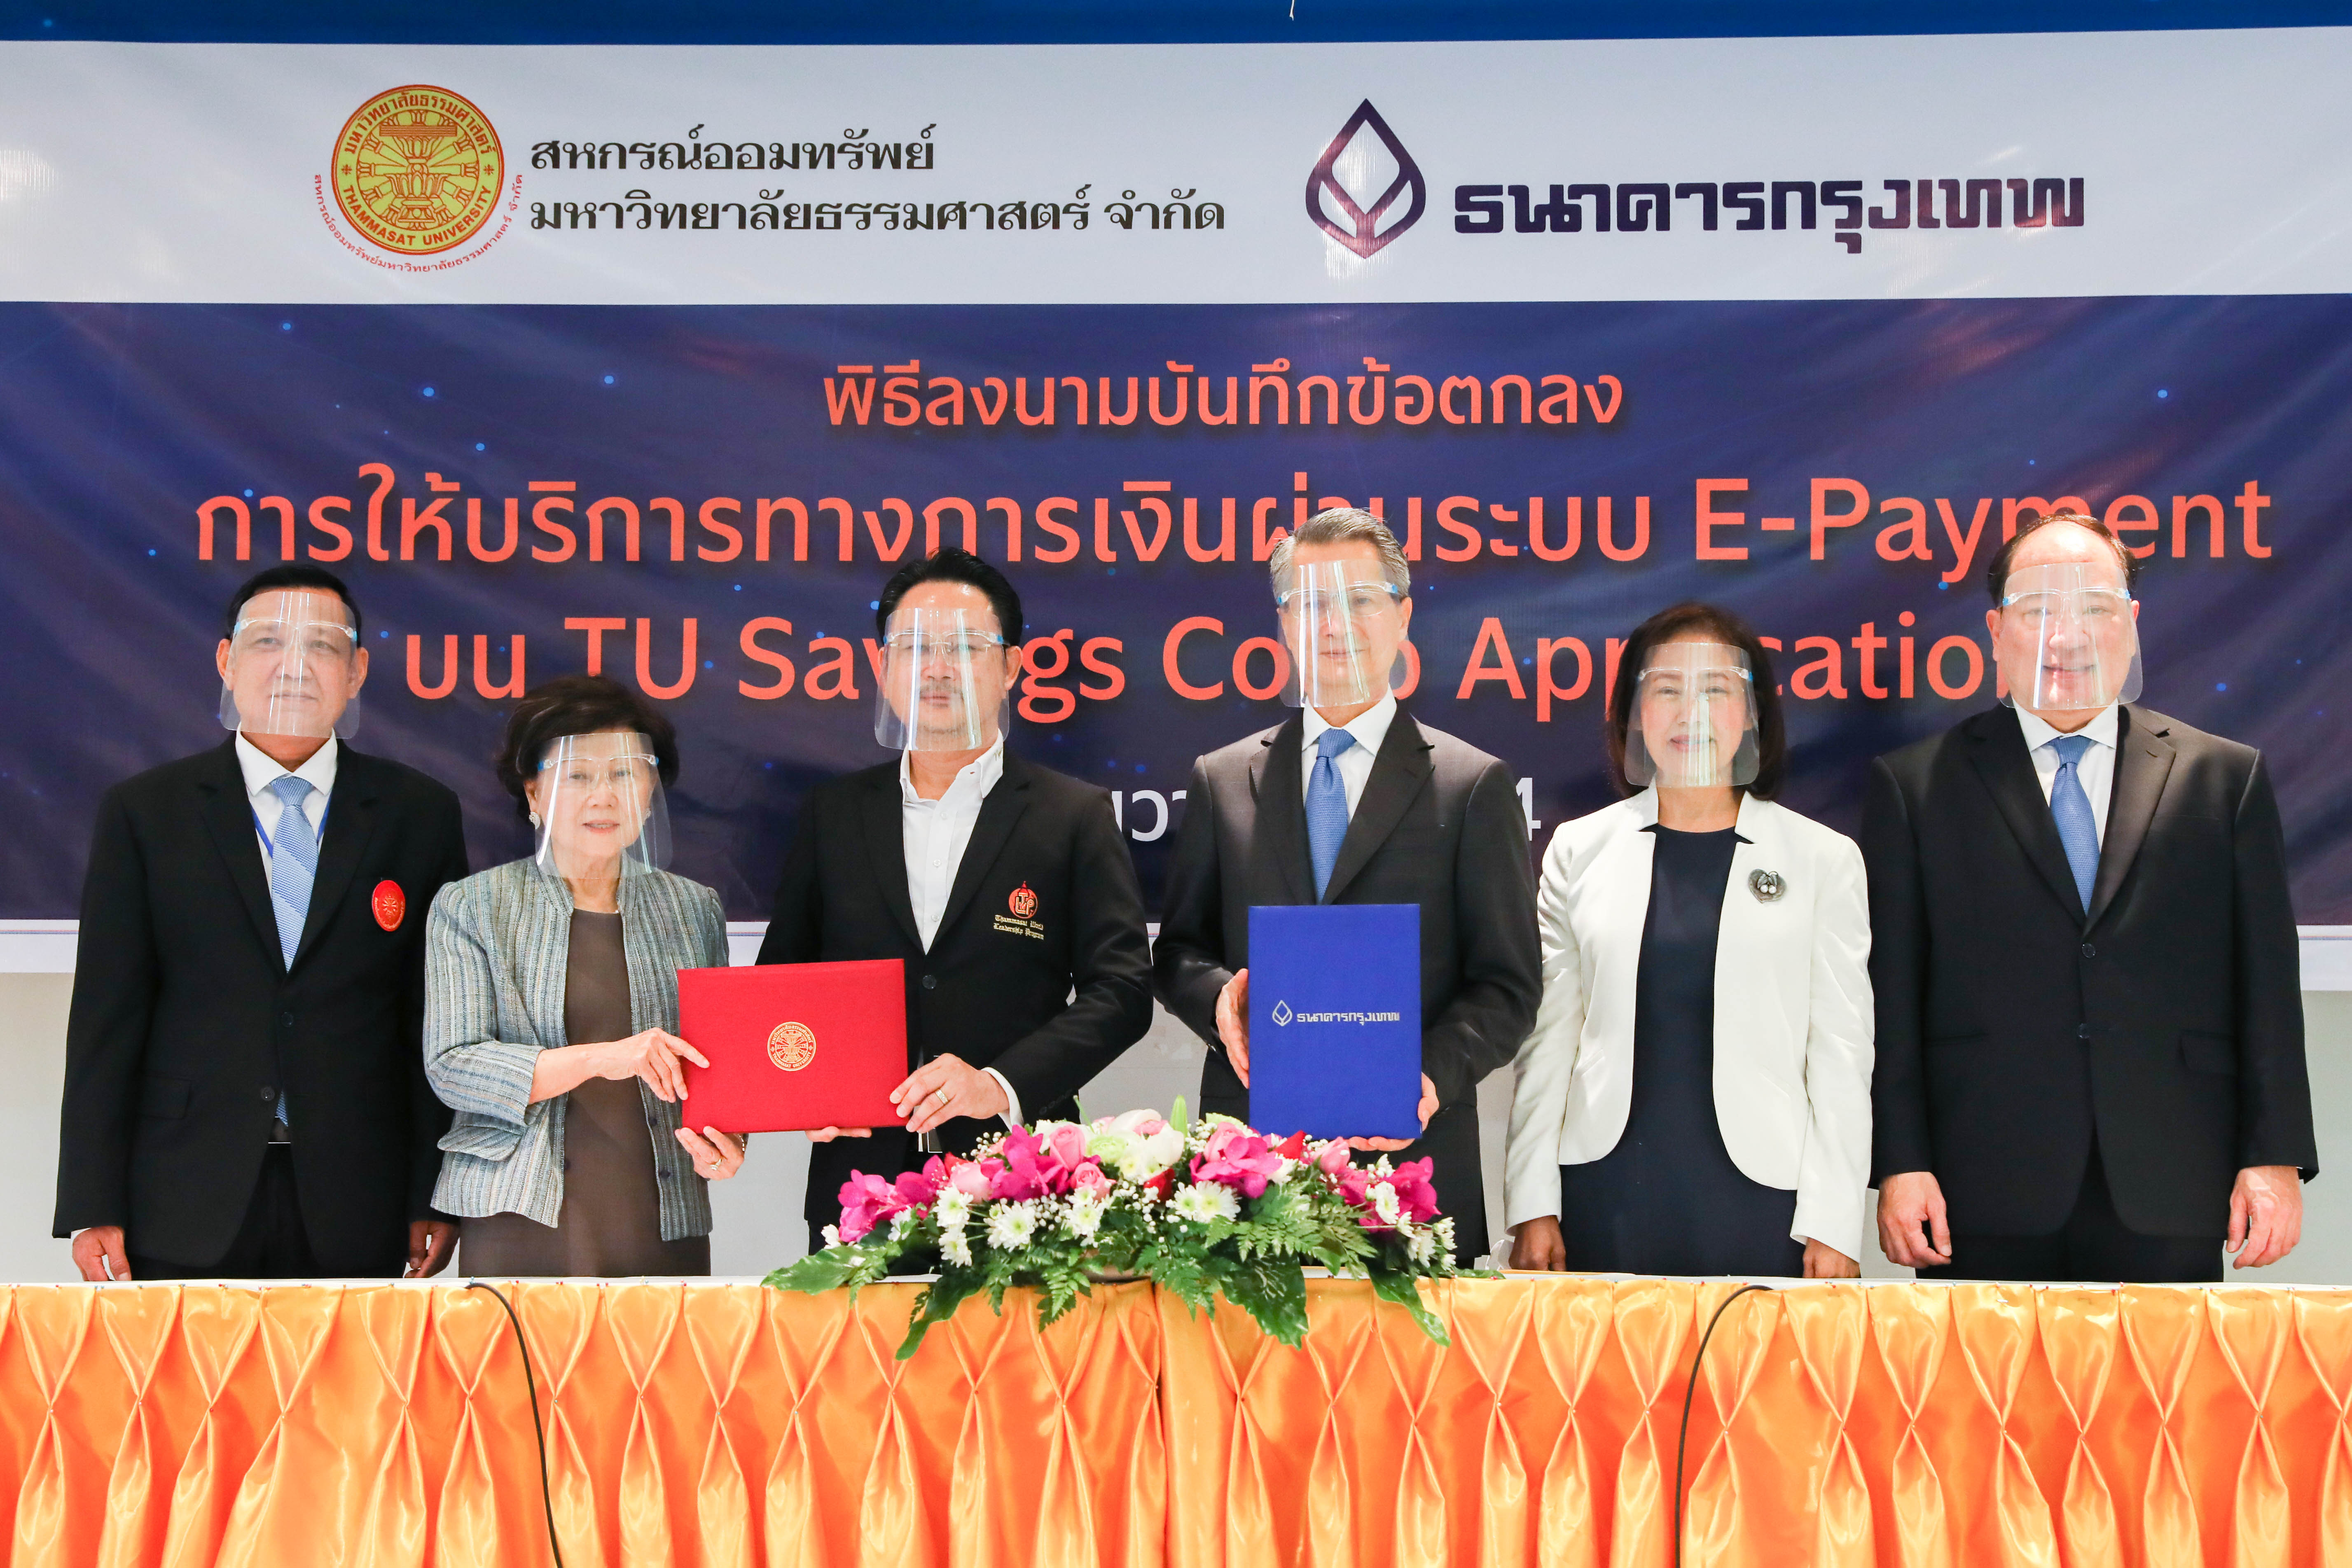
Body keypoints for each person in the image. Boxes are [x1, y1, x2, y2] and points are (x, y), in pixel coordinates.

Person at [1869, 512, 2315, 1283]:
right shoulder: (1914, 786)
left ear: (2131, 625)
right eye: (2038, 609)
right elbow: (1893, 998)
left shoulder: (2222, 778)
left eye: (2094, 608)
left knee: (2164, 1371)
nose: (2066, 636)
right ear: (1995, 631)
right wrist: (1900, 1163)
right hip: (1981, 1182)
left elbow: (2266, 985)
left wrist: (2273, 1155)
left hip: (2172, 1173)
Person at [54, 565, 470, 1281]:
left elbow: (429, 1017)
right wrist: (94, 1200)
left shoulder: (418, 813)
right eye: (269, 641)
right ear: (227, 660)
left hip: (359, 1193)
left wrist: (432, 1191)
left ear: (357, 671)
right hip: (182, 1190)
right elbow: (106, 1016)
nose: (294, 666)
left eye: (323, 646)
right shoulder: (146, 812)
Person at [1153, 507, 1540, 1264]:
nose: (1335, 625)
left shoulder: (1471, 784)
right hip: (1248, 1163)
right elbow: (1178, 952)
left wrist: (1427, 1077)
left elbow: (1507, 985)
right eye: (1311, 603)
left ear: (1402, 616)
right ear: (1282, 623)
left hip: (1411, 1161)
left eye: (1360, 599)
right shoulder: (1221, 779)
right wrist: (1220, 1001)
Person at [759, 547, 1155, 1251]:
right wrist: (805, 1090)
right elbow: (781, 985)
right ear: (882, 668)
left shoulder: (1072, 814)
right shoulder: (833, 814)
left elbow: (1121, 992)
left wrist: (1000, 1083)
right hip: (858, 1186)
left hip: (1024, 1182)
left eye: (965, 646)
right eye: (915, 647)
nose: (937, 668)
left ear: (1011, 668)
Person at [1503, 604, 1873, 1277]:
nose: (1689, 712)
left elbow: (1841, 1053)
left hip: (1768, 1201)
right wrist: (1532, 1204)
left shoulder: (1823, 858)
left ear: (1752, 713)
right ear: (1633, 713)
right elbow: (1547, 1042)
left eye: (1716, 689)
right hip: (1604, 1192)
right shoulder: (1579, 849)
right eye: (1667, 689)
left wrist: (1836, 1222)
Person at [424, 675, 743, 1276]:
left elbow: (717, 1064)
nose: (603, 797)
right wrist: (602, 1058)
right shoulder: (472, 905)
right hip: (517, 1216)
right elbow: (453, 1065)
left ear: (650, 793)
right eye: (577, 776)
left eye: (624, 774)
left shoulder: (694, 907)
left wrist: (728, 1140)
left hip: (659, 1213)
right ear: (534, 792)